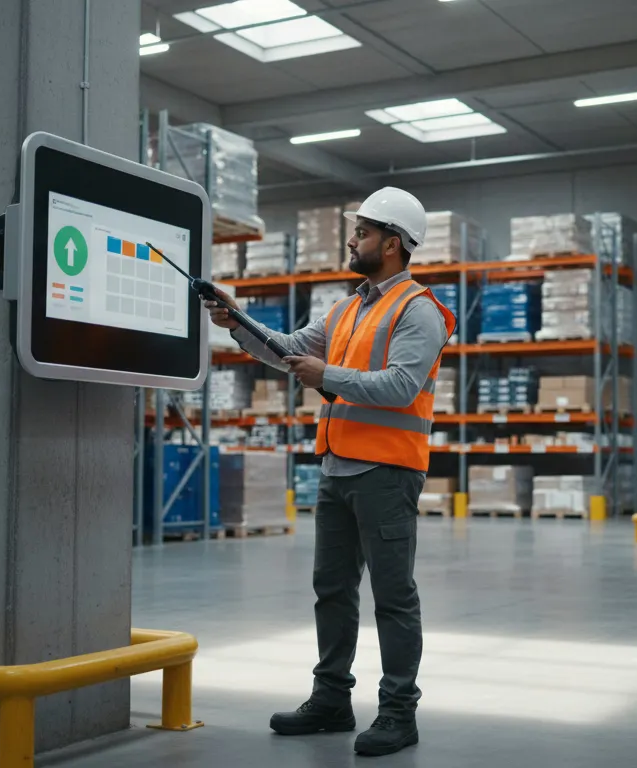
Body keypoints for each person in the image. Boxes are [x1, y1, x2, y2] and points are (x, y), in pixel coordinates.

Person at [204, 187, 454, 758]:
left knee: (393, 596)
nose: (351, 239)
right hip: (338, 469)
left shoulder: (420, 310)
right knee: (332, 590)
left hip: (388, 474)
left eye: (362, 232)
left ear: (392, 245)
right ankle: (332, 700)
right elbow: (288, 349)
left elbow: (399, 386)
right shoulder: (348, 308)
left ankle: (397, 711)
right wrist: (235, 319)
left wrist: (327, 374)